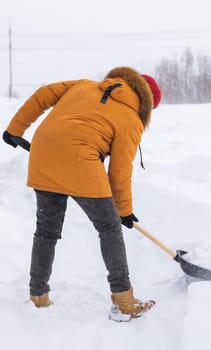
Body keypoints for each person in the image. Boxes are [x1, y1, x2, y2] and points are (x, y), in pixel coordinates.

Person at [2, 66, 162, 321]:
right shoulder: (132, 118)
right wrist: (123, 211)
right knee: (109, 228)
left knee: (46, 230)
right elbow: (120, 171)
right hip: (80, 160)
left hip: (43, 154)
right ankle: (124, 300)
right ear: (147, 103)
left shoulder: (84, 85)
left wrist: (15, 129)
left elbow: (43, 94)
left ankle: (38, 296)